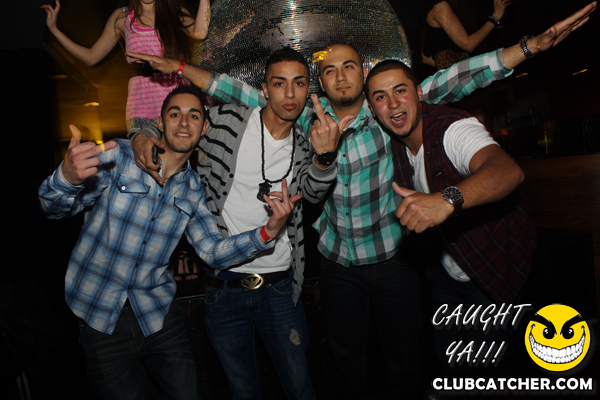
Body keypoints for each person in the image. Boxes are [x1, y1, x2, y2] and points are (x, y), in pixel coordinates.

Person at [127, 3, 596, 397]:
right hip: (337, 266)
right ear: (321, 83)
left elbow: (456, 78)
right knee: (345, 366)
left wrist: (527, 48)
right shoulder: (310, 120)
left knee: (405, 363)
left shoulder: (386, 109)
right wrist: (182, 71)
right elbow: (241, 92)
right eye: (329, 70)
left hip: (393, 261)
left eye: (348, 66)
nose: (340, 75)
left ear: (363, 73)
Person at [38, 85, 299, 400]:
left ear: (204, 128)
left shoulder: (193, 190)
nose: (184, 123)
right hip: (98, 311)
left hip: (156, 311)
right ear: (160, 123)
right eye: (175, 114)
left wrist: (268, 231)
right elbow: (53, 210)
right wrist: (66, 177)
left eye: (194, 116)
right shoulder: (120, 156)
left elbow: (212, 251)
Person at [127, 47, 349, 399]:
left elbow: (312, 194)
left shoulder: (308, 139)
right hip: (223, 289)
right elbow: (181, 125)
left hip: (280, 287)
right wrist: (142, 136)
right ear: (265, 89)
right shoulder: (230, 120)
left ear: (309, 89)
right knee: (242, 392)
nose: (289, 94)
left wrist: (324, 157)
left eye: (298, 83)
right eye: (279, 83)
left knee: (300, 387)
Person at [364, 58, 536, 370]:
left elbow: (508, 171)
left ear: (419, 92)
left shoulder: (452, 128)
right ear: (372, 109)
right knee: (450, 367)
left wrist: (446, 200)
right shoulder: (395, 142)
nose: (393, 103)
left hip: (492, 271)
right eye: (380, 96)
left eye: (400, 90)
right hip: (445, 274)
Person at [41, 0, 211, 133]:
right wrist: (54, 30)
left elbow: (200, 33)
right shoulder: (122, 17)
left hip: (176, 99)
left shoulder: (174, 12)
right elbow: (91, 57)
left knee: (177, 160)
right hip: (142, 103)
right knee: (144, 159)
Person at [422, 0, 510, 70]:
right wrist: (495, 18)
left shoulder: (432, 8)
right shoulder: (440, 7)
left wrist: (445, 66)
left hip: (454, 76)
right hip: (458, 77)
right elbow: (468, 45)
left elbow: (425, 58)